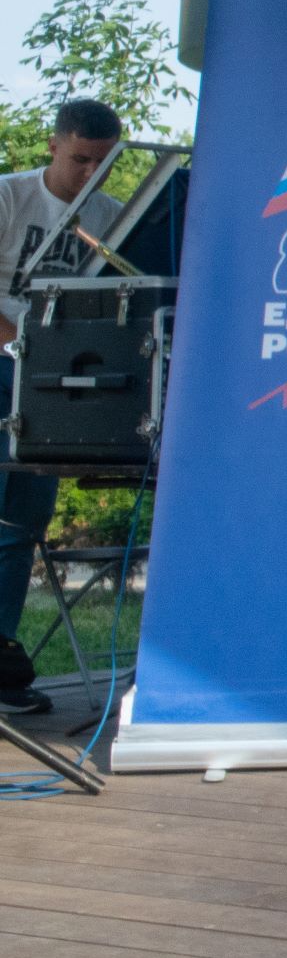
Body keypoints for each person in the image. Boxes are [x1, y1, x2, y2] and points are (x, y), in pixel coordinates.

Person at [0, 100, 124, 717]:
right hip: (7, 361)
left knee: (22, 522)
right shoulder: (8, 197)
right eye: (80, 159)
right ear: (53, 147)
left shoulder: (110, 215)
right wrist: (20, 348)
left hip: (54, 380)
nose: (91, 173)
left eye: (104, 163)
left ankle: (1, 658)